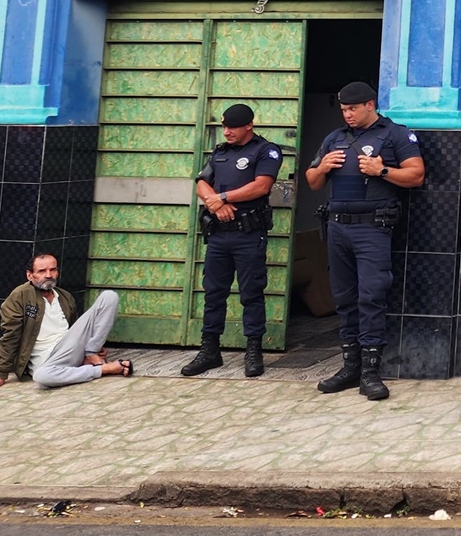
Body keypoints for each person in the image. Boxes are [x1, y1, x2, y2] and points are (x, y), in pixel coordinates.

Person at [303, 80, 426, 401]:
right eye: (343, 109)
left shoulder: (396, 134)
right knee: (343, 298)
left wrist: (382, 170)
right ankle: (349, 366)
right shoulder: (335, 138)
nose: (348, 115)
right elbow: (312, 181)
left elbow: (416, 175)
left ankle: (371, 371)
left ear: (370, 105)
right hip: (337, 227)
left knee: (371, 296)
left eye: (353, 109)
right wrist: (322, 167)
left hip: (372, 228)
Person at [181, 104, 284, 378]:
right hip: (219, 235)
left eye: (233, 128)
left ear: (249, 125)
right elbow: (201, 182)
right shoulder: (220, 152)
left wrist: (224, 198)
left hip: (248, 234)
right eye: (224, 127)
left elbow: (262, 186)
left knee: (251, 293)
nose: (227, 132)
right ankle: (210, 350)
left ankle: (253, 351)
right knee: (214, 293)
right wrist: (215, 205)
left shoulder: (266, 150)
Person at [0, 253, 131, 390]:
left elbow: (76, 328)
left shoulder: (65, 296)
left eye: (53, 269)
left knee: (109, 296)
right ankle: (103, 369)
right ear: (30, 275)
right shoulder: (20, 296)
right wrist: (1, 374)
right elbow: (10, 335)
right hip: (48, 360)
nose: (48, 274)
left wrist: (93, 344)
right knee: (42, 377)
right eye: (42, 271)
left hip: (69, 346)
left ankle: (90, 354)